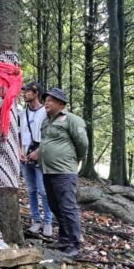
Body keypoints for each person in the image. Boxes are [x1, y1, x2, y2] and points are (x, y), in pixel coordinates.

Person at [27, 87, 88, 258]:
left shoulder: (72, 120)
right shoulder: (46, 121)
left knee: (68, 207)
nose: (47, 102)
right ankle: (64, 240)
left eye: (51, 100)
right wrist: (37, 153)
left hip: (64, 171)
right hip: (47, 170)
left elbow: (82, 143)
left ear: (61, 104)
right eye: (46, 99)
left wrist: (76, 158)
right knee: (55, 206)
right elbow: (46, 143)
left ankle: (74, 245)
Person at [19, 82, 53, 237]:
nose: (24, 94)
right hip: (25, 156)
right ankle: (35, 220)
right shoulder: (22, 113)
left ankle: (48, 222)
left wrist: (39, 151)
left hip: (41, 157)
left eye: (27, 92)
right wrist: (19, 150)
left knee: (43, 190)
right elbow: (19, 134)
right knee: (31, 190)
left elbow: (50, 135)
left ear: (36, 93)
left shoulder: (45, 113)